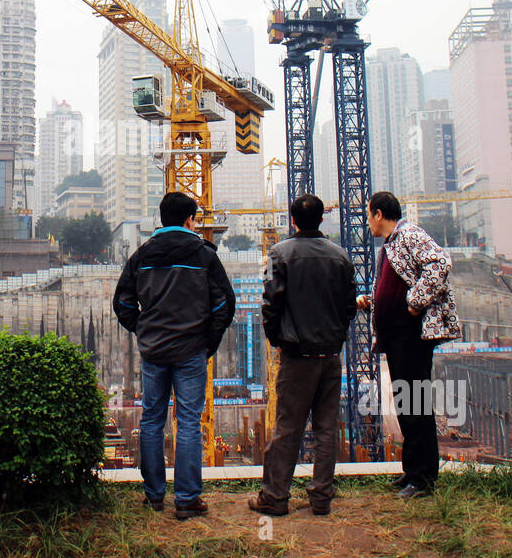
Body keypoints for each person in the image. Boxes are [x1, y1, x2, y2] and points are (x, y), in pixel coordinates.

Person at [113, 191, 236, 520]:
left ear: (161, 219)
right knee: (189, 423)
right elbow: (225, 303)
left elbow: (122, 301)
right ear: (189, 220)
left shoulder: (143, 255)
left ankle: (154, 495)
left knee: (152, 420)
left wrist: (142, 330)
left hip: (154, 351)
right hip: (191, 350)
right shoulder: (204, 255)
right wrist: (207, 342)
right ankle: (186, 500)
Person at [249, 194, 356, 517]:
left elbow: (270, 303)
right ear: (322, 219)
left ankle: (276, 496)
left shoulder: (278, 254)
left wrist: (276, 339)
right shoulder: (341, 256)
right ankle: (321, 496)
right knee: (326, 428)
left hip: (296, 356)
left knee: (287, 427)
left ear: (292, 220)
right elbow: (349, 306)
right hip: (330, 355)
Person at [356, 191, 461, 499]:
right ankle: (412, 472)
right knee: (407, 405)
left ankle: (424, 478)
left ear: (378, 214)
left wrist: (415, 302)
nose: (367, 222)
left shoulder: (408, 234)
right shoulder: (391, 245)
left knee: (415, 404)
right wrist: (372, 302)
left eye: (368, 214)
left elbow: (441, 262)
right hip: (399, 337)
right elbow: (397, 286)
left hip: (413, 336)